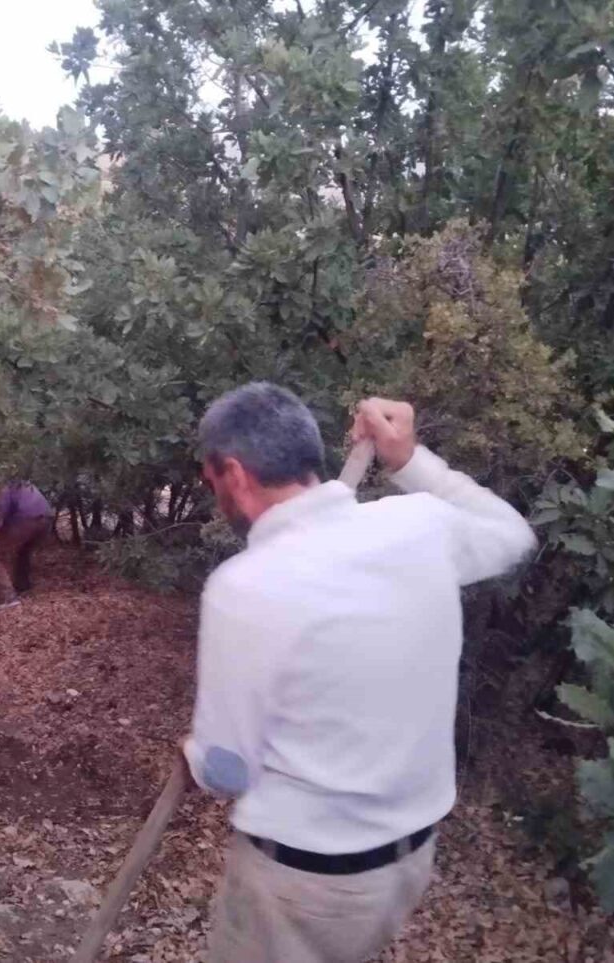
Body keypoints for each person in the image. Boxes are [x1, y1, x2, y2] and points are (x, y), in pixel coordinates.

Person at [184, 384, 535, 963]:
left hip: (305, 887)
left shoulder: (244, 589)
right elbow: (513, 536)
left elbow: (228, 769)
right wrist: (410, 459)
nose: (213, 491)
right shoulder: (420, 526)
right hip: (407, 864)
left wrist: (197, 755)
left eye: (209, 479)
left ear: (234, 474)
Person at [0, 481, 52, 606]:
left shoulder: (2, 484)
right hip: (46, 518)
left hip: (26, 519)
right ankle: (23, 586)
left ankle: (8, 596)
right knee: (24, 549)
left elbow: (0, 512)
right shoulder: (20, 480)